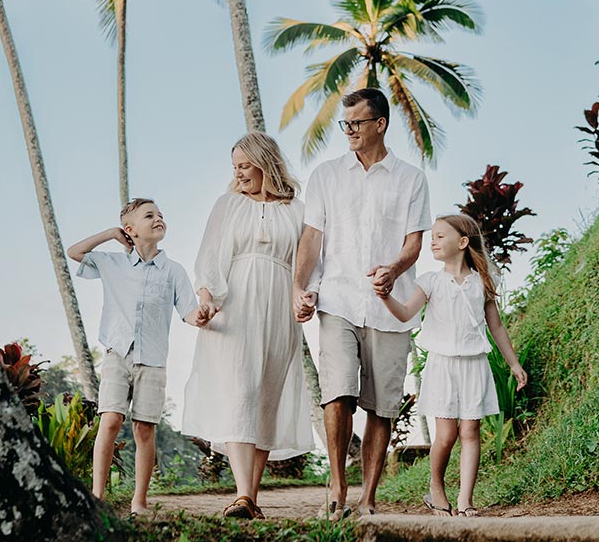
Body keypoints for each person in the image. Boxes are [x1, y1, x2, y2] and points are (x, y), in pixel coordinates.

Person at [293, 87, 430, 519]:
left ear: (380, 124)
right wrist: (301, 287)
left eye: (356, 123)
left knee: (381, 404)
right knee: (338, 393)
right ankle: (337, 487)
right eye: (345, 124)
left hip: (389, 307)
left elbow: (413, 244)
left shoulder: (411, 178)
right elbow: (312, 238)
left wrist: (392, 269)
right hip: (338, 298)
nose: (349, 130)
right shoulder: (326, 175)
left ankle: (369, 498)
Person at [181, 132, 313, 519]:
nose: (238, 174)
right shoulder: (228, 205)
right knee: (239, 392)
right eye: (234, 167)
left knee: (264, 400)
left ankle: (249, 498)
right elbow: (208, 259)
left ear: (265, 164)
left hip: (279, 309)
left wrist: (305, 295)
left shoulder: (297, 210)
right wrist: (206, 302)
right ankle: (241, 494)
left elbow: (308, 264)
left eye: (243, 165)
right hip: (234, 306)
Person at [378, 213, 528, 517]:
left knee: (470, 431)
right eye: (432, 236)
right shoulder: (431, 281)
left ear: (462, 242)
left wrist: (513, 363)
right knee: (445, 436)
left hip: (475, 365)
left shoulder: (483, 283)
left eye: (440, 236)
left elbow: (496, 326)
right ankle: (436, 489)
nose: (432, 240)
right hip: (442, 366)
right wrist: (384, 297)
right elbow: (406, 313)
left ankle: (465, 501)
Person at [67, 198, 197, 514]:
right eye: (149, 215)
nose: (158, 218)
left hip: (152, 359)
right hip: (117, 355)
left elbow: (190, 313)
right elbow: (74, 252)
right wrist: (110, 233)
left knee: (144, 429)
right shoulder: (113, 263)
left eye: (160, 214)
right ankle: (98, 497)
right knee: (110, 420)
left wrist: (205, 314)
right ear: (130, 230)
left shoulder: (174, 271)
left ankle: (139, 502)